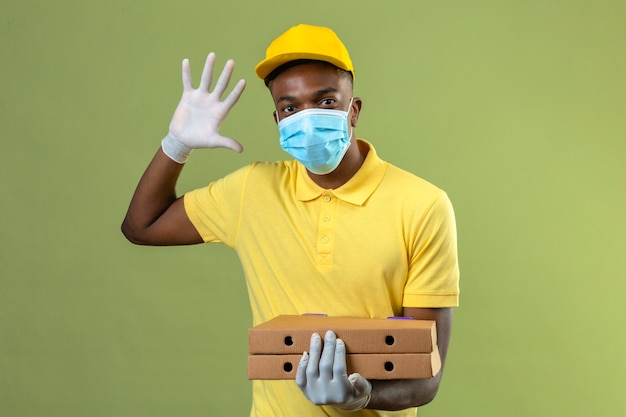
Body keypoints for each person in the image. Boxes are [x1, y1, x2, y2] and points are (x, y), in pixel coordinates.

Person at [122, 23, 460, 416]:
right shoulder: (253, 190)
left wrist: (362, 398)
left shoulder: (422, 204)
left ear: (354, 110)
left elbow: (427, 377)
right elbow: (141, 226)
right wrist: (176, 145)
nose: (307, 116)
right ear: (278, 120)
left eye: (326, 101)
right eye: (290, 107)